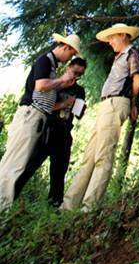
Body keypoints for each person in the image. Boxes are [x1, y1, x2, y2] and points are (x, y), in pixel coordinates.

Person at [62, 24, 139, 211]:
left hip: (116, 104)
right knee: (89, 156)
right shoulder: (120, 57)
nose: (110, 42)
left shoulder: (132, 54)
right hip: (107, 105)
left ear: (123, 35)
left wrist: (130, 102)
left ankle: (89, 207)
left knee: (103, 155)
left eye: (112, 38)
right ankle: (68, 206)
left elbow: (137, 83)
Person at [0, 32, 81, 211]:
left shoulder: (52, 66)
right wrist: (61, 80)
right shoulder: (45, 61)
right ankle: (2, 209)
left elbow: (46, 92)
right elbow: (40, 86)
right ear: (65, 47)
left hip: (38, 118)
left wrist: (62, 85)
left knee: (17, 165)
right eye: (71, 53)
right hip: (31, 115)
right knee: (13, 166)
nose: (70, 58)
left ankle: (5, 208)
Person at [14, 57, 87, 207]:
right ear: (68, 67)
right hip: (47, 129)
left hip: (65, 132)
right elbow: (43, 104)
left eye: (80, 74)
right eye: (74, 72)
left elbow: (78, 114)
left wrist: (80, 108)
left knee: (58, 173)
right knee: (29, 165)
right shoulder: (56, 83)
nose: (76, 76)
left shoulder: (79, 90)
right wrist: (64, 104)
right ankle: (10, 198)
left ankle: (53, 207)